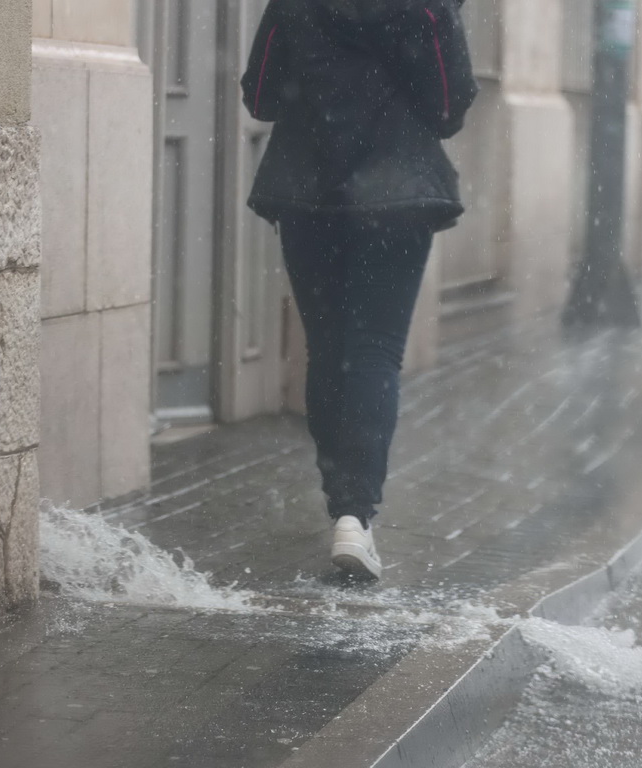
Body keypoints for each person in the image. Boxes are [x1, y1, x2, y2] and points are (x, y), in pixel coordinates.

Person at [241, 0, 478, 579]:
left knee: (327, 349)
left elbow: (261, 95)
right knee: (374, 351)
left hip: (308, 190)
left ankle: (339, 506)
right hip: (395, 195)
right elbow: (449, 109)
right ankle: (356, 514)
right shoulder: (426, 8)